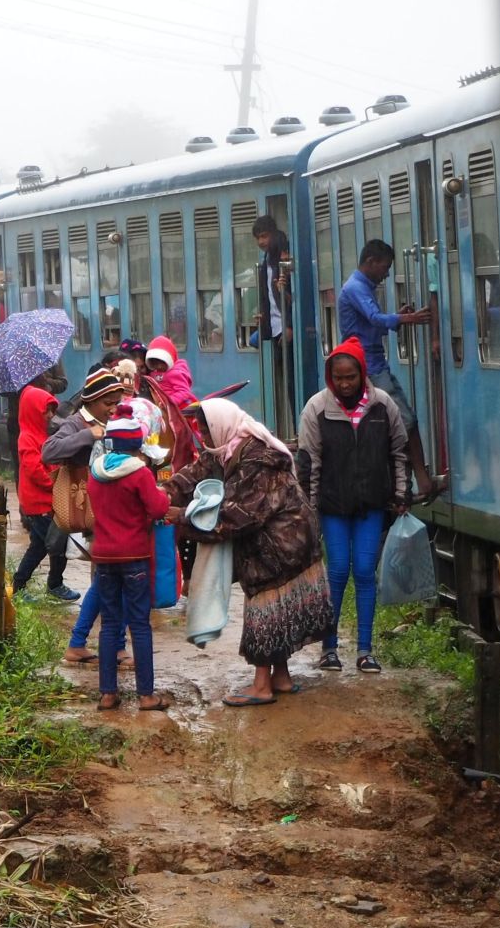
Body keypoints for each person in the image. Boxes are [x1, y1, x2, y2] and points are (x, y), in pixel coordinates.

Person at [164, 398, 332, 705]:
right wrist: (159, 494)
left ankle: (261, 686)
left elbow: (238, 518)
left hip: (282, 547)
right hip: (281, 545)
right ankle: (280, 678)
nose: (202, 434)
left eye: (205, 427)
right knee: (278, 614)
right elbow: (192, 475)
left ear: (220, 425)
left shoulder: (257, 458)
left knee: (265, 615)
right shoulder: (225, 448)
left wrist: (181, 516)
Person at [296, 337, 409, 674]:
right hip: (332, 507)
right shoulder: (316, 408)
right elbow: (309, 463)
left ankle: (364, 649)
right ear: (331, 377)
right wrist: (310, 509)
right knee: (338, 571)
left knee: (364, 572)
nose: (344, 384)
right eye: (338, 378)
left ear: (362, 374)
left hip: (371, 505)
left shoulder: (383, 406)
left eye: (351, 377)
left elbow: (398, 453)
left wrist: (401, 494)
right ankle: (329, 649)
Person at [338, 239, 438, 501]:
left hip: (371, 363)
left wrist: (396, 317)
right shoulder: (356, 288)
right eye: (385, 266)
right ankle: (422, 482)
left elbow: (370, 326)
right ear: (371, 262)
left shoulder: (361, 287)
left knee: (391, 425)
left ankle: (407, 483)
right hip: (369, 367)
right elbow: (373, 319)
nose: (388, 273)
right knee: (406, 420)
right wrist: (407, 318)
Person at [88, 410, 172, 711]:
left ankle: (108, 694)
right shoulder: (139, 473)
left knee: (109, 624)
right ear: (137, 443)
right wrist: (163, 495)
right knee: (139, 624)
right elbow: (158, 508)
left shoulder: (96, 471)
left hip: (104, 557)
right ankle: (146, 695)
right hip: (134, 556)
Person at [38, 367, 125, 610]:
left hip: (114, 505)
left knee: (109, 560)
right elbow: (48, 451)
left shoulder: (116, 420)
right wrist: (88, 436)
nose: (113, 409)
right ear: (91, 400)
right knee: (102, 558)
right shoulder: (77, 423)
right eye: (108, 403)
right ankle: (101, 611)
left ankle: (103, 609)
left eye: (117, 403)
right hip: (88, 505)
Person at [10, 377, 73, 602]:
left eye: (51, 411)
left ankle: (20, 585)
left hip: (45, 501)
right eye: (45, 411)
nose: (49, 415)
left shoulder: (41, 435)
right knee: (55, 544)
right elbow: (35, 470)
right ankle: (52, 584)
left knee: (41, 546)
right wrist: (56, 484)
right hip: (40, 503)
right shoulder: (27, 438)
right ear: (33, 411)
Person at [252, 215, 295, 433]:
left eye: (264, 236)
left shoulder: (283, 260)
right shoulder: (266, 263)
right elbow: (268, 297)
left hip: (286, 329)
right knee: (284, 383)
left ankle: (297, 428)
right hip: (276, 329)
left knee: (291, 382)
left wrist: (291, 326)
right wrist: (264, 317)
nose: (261, 242)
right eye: (258, 238)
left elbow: (291, 297)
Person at [143, 335, 197, 408]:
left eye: (162, 362)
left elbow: (183, 391)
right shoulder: (154, 373)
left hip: (179, 408)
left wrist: (169, 402)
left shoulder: (176, 373)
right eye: (155, 363)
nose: (159, 366)